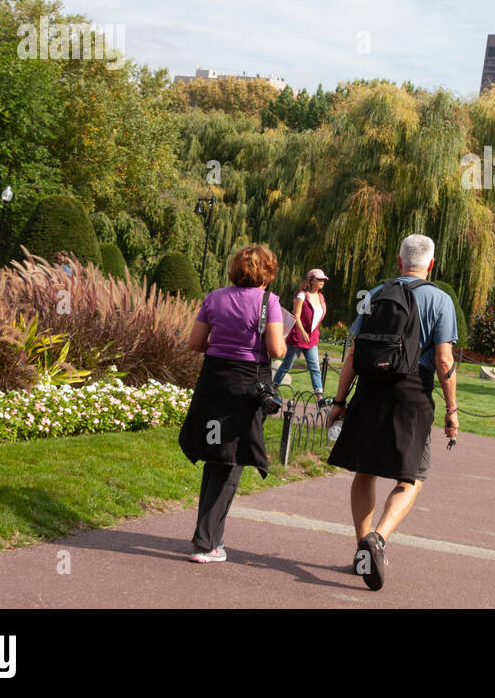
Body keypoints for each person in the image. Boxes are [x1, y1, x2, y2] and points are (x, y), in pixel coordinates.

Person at [325, 234, 459, 591]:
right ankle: (379, 539)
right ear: (431, 265)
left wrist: (339, 403)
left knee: (365, 471)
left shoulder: (373, 295)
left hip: (370, 390)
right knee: (413, 475)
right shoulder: (440, 300)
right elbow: (444, 359)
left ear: (399, 262)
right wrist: (452, 410)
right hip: (412, 393)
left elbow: (352, 355)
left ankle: (362, 547)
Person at [180, 245, 287, 564]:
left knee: (217, 453)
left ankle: (211, 539)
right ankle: (204, 542)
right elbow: (277, 350)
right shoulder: (270, 302)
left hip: (213, 381)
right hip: (247, 384)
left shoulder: (214, 298)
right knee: (233, 458)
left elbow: (196, 343)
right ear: (267, 272)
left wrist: (226, 343)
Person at [273, 269, 330, 406]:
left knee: (315, 367)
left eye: (323, 280)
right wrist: (303, 331)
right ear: (310, 280)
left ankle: (319, 398)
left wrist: (311, 332)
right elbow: (296, 316)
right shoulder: (302, 295)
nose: (322, 282)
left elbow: (317, 317)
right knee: (287, 365)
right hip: (298, 337)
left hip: (312, 339)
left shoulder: (321, 297)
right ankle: (272, 389)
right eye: (319, 279)